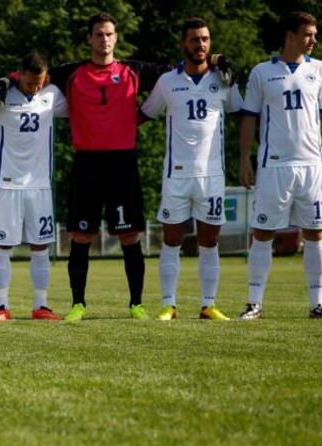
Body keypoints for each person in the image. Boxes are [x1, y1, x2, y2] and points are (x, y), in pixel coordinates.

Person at [0, 12, 232, 322]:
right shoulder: (71, 72)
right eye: (99, 34)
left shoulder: (134, 70)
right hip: (86, 162)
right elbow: (33, 73)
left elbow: (184, 68)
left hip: (122, 163)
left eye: (109, 34)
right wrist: (5, 80)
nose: (104, 40)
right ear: (90, 38)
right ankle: (78, 304)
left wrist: (218, 58)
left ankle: (136, 304)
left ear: (116, 38)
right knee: (80, 236)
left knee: (130, 237)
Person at [238, 11, 322, 320]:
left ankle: (318, 305)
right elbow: (249, 119)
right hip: (274, 166)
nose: (314, 40)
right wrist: (244, 159)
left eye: (315, 34)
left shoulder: (321, 70)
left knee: (316, 233)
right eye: (308, 34)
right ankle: (254, 304)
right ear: (290, 36)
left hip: (312, 165)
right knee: (262, 232)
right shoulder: (261, 72)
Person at [139, 18, 243, 321]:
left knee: (209, 241)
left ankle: (208, 304)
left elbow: (243, 113)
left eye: (206, 40)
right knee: (171, 239)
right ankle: (168, 304)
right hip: (176, 174)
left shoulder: (224, 79)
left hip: (212, 175)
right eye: (195, 40)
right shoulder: (167, 81)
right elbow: (145, 114)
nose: (201, 45)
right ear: (183, 44)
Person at [0, 52, 66, 322]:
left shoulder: (52, 95)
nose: (34, 88)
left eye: (39, 83)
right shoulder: (1, 94)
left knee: (41, 246)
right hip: (6, 184)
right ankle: (2, 306)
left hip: (40, 186)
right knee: (3, 247)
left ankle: (41, 306)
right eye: (29, 83)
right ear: (19, 74)